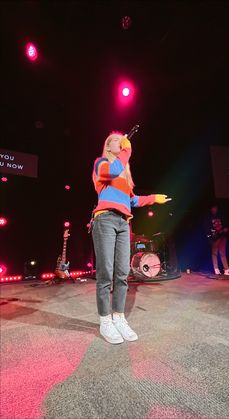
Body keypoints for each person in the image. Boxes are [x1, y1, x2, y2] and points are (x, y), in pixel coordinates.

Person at [91, 131, 171, 344]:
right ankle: (105, 320)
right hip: (105, 219)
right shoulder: (102, 165)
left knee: (122, 273)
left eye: (122, 141)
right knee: (106, 272)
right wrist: (128, 149)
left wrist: (154, 198)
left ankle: (119, 317)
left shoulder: (124, 179)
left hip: (123, 222)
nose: (122, 143)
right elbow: (115, 169)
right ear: (109, 148)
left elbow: (133, 201)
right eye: (116, 141)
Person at [206, 204, 229, 276]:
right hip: (215, 237)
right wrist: (211, 235)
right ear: (210, 209)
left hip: (222, 236)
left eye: (215, 208)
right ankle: (216, 269)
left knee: (223, 253)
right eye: (213, 208)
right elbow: (207, 228)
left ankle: (226, 269)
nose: (214, 209)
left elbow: (225, 225)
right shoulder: (208, 217)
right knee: (214, 253)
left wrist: (225, 229)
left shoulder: (221, 216)